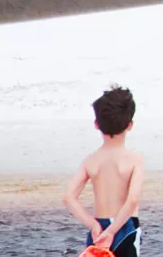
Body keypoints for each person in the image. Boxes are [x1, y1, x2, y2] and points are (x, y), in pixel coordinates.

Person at [63, 86, 146, 257]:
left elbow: (69, 198)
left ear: (96, 124)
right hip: (125, 226)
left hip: (98, 228)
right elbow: (132, 200)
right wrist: (112, 231)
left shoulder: (90, 160)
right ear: (130, 125)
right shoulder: (135, 159)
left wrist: (93, 225)